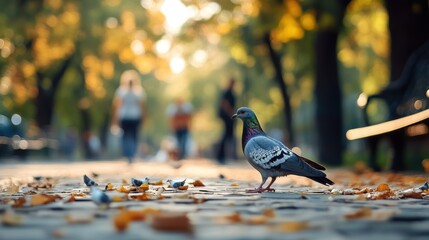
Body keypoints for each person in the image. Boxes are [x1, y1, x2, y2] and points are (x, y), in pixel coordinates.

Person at [112, 70, 146, 163]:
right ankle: (130, 154)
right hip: (130, 116)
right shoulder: (135, 91)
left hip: (129, 116)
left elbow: (141, 106)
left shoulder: (124, 91)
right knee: (130, 136)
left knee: (128, 136)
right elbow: (118, 106)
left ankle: (129, 154)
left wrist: (115, 118)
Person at [216, 78, 237, 164]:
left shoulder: (230, 92)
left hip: (229, 116)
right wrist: (231, 114)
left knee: (229, 135)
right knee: (226, 135)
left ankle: (227, 155)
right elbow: (225, 104)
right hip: (227, 117)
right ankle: (221, 156)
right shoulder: (227, 92)